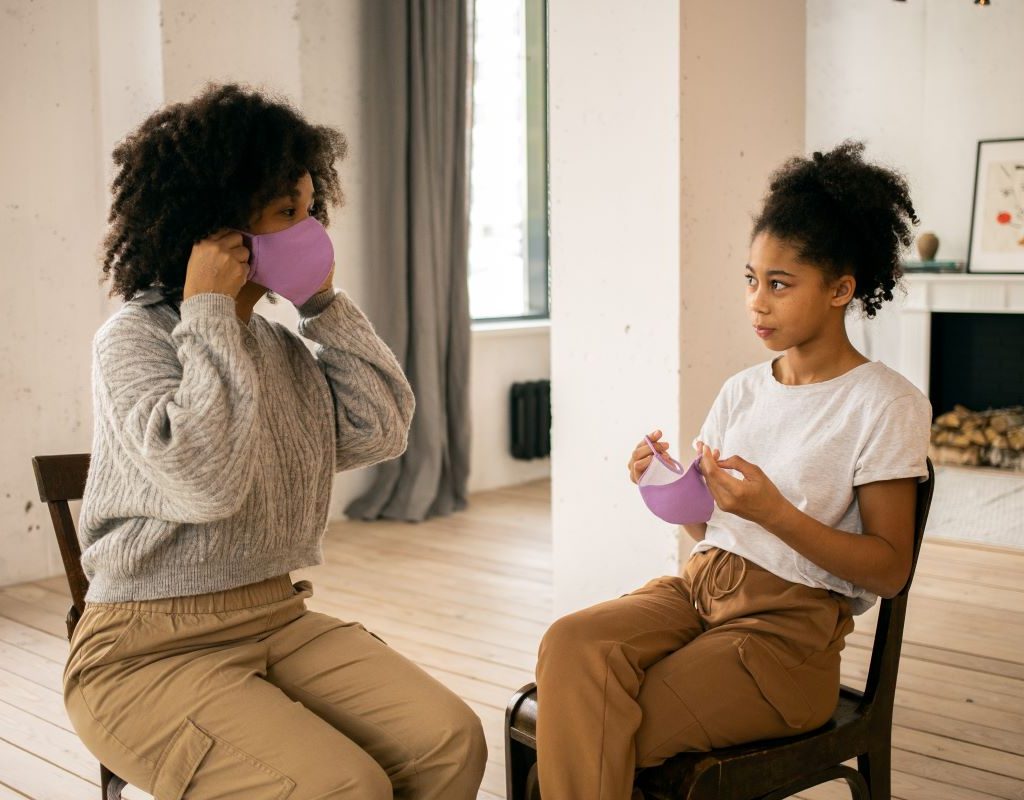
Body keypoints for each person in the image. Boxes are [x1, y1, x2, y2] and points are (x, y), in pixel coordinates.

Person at [63, 83, 487, 800]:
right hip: (141, 652)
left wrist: (321, 303)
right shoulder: (134, 339)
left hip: (275, 618)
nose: (310, 229)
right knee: (343, 787)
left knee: (450, 741)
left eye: (309, 209)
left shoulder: (279, 345)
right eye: (286, 212)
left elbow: (381, 428)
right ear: (218, 227)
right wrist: (205, 308)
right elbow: (205, 479)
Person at [534, 141, 932, 799]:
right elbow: (712, 532)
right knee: (572, 645)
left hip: (785, 638)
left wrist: (775, 511)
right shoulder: (743, 390)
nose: (758, 302)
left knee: (600, 723)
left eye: (780, 284)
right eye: (751, 279)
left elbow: (889, 570)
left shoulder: (885, 405)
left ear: (841, 289)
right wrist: (668, 490)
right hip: (697, 590)